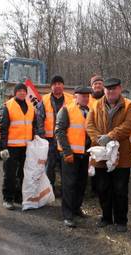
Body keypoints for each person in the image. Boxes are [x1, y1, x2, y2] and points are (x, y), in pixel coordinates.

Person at [86, 78, 131, 232]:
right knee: (103, 188)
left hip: (122, 155)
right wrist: (99, 139)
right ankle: (106, 217)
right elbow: (89, 125)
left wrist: (111, 136)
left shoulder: (129, 105)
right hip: (101, 154)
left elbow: (129, 125)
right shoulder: (96, 104)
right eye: (108, 89)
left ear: (120, 89)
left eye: (114, 89)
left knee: (120, 189)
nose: (110, 92)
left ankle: (121, 221)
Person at [55, 86, 92, 227]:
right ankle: (67, 214)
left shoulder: (89, 111)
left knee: (81, 183)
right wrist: (67, 152)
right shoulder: (66, 110)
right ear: (75, 97)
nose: (86, 98)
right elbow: (59, 132)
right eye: (83, 96)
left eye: (87, 96)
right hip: (70, 155)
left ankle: (76, 209)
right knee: (69, 185)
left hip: (85, 154)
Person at [0, 83, 36, 210]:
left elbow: (33, 126)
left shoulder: (31, 107)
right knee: (9, 173)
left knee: (23, 173)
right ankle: (7, 198)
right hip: (11, 146)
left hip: (26, 147)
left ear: (26, 93)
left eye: (24, 91)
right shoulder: (8, 106)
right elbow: (3, 128)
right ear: (15, 93)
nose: (22, 93)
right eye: (19, 91)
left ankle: (18, 196)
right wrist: (3, 147)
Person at [36, 75, 73, 194]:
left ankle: (65, 190)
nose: (57, 86)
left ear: (63, 85)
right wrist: (42, 135)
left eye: (60, 83)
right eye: (55, 84)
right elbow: (39, 118)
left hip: (65, 139)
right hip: (49, 139)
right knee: (49, 166)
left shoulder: (71, 99)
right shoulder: (44, 99)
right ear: (51, 86)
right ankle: (49, 189)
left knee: (65, 166)